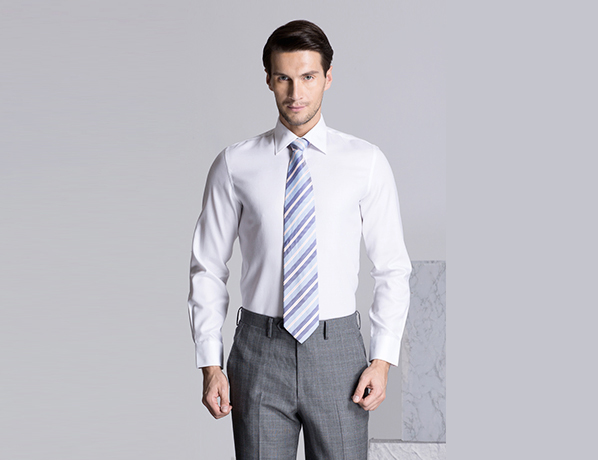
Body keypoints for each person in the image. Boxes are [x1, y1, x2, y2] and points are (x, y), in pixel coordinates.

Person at [188, 19, 411, 460]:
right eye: (284, 78)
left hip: (338, 354)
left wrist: (383, 360)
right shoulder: (234, 164)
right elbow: (207, 267)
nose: (296, 93)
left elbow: (392, 267)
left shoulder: (365, 162)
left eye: (308, 77)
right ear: (268, 80)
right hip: (259, 351)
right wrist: (210, 363)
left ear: (328, 77)